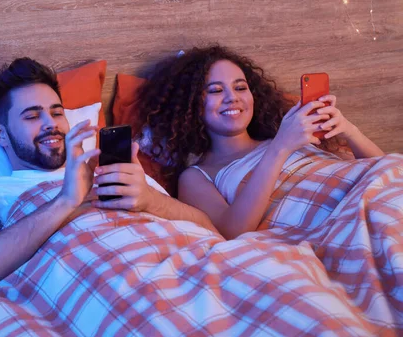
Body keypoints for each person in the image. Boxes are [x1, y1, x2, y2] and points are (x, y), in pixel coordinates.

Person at [0, 57, 217, 292]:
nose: (50, 125)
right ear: (0, 135)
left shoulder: (123, 175)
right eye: (31, 116)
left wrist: (149, 199)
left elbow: (212, 231)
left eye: (57, 113)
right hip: (118, 289)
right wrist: (65, 202)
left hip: (199, 274)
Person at [134, 45, 384, 240]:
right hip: (340, 224)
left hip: (375, 197)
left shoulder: (289, 136)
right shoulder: (197, 176)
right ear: (191, 106)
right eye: (215, 90)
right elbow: (233, 232)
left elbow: (383, 170)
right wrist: (280, 148)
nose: (232, 98)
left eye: (240, 87)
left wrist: (349, 131)